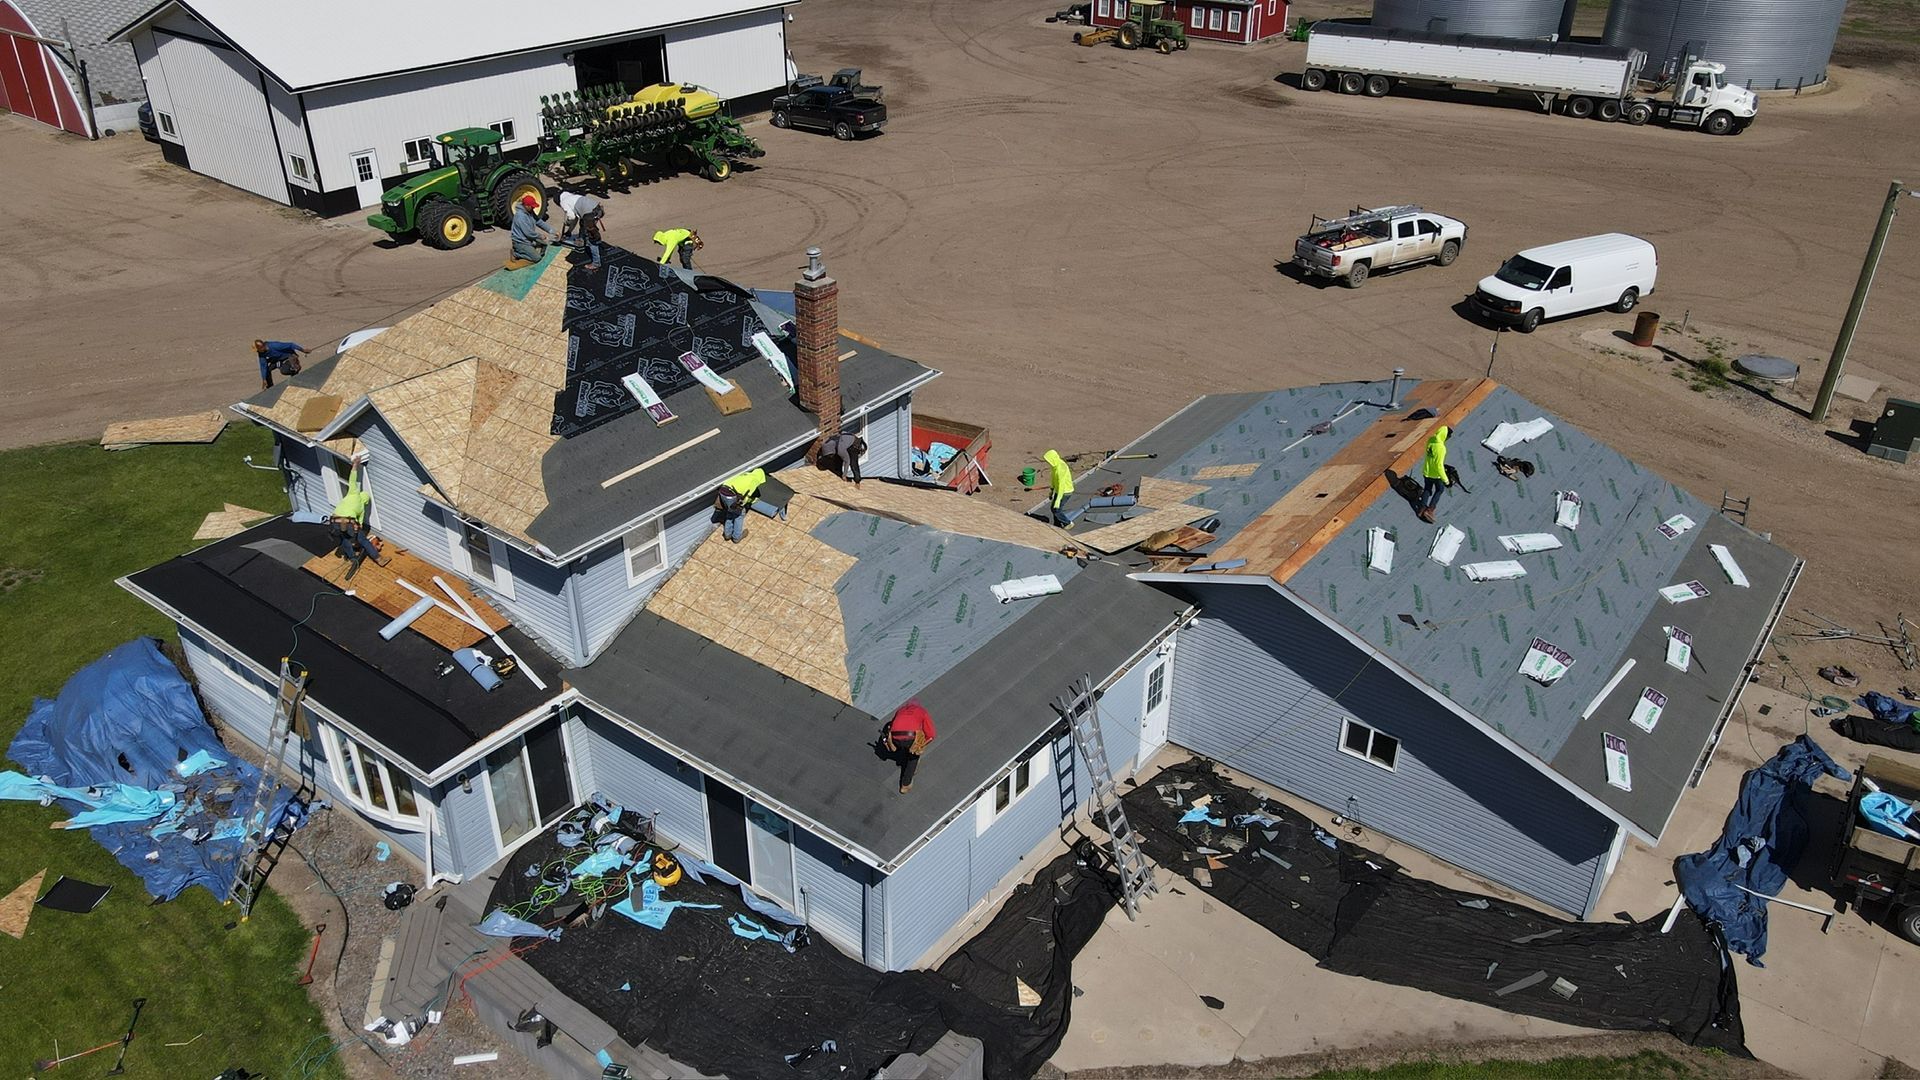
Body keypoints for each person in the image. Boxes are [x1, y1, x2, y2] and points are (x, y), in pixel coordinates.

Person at [329, 458, 383, 578]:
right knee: (363, 540)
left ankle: (353, 558)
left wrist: (355, 466)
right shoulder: (362, 508)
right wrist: (358, 536)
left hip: (335, 520)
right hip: (349, 522)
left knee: (344, 539)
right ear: (365, 501)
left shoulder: (353, 493)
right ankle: (379, 559)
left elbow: (352, 479)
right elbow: (359, 524)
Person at [885, 700, 937, 794]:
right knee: (914, 756)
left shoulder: (900, 710)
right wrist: (922, 745)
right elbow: (931, 734)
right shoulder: (921, 711)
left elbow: (893, 724)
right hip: (910, 737)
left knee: (905, 744)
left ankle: (904, 751)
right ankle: (905, 785)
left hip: (895, 738)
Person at [556, 190, 605, 270]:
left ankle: (596, 263)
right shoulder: (572, 197)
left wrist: (567, 222)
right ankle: (581, 240)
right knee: (582, 223)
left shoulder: (563, 202)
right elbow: (576, 218)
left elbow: (572, 217)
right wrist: (569, 232)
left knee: (591, 239)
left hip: (590, 214)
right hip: (597, 208)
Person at [1417, 424, 1450, 523]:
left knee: (1427, 489)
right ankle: (1430, 510)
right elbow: (1439, 465)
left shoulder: (1430, 440)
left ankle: (1421, 509)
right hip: (1436, 475)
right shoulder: (1441, 448)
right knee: (1439, 490)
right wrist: (1446, 480)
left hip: (1426, 471)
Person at [510, 194, 556, 265]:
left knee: (544, 244)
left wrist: (552, 231)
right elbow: (528, 233)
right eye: (532, 206)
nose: (533, 208)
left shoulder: (530, 212)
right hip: (521, 242)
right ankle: (516, 254)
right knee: (537, 258)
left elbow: (539, 222)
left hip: (528, 239)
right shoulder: (520, 216)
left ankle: (530, 251)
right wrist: (540, 236)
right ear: (526, 206)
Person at [1043, 449, 1075, 527]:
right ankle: (1057, 524)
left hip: (1065, 492)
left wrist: (1057, 500)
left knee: (1056, 510)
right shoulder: (1055, 466)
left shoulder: (1061, 468)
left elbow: (1061, 486)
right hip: (1059, 491)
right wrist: (1052, 490)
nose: (1048, 463)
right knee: (1054, 508)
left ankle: (1068, 523)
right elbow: (1054, 479)